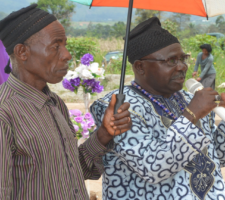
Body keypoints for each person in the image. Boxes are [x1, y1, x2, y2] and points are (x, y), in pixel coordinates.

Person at [91, 17, 225, 200]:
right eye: (171, 61)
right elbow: (152, 167)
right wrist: (191, 115)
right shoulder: (119, 107)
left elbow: (214, 157)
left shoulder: (189, 99)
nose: (182, 67)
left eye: (183, 58)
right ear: (140, 67)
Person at [0, 4, 132, 199]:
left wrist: (104, 133)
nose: (67, 55)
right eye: (56, 46)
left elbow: (71, 170)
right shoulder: (5, 113)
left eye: (65, 45)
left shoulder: (55, 103)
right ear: (22, 52)